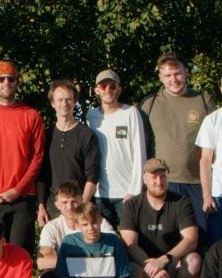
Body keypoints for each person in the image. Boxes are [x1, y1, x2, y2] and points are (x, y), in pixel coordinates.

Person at [140, 53, 216, 238]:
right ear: (160, 77)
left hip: (198, 183)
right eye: (167, 75)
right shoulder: (149, 104)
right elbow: (139, 147)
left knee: (202, 237)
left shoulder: (204, 101)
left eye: (177, 73)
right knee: (165, 239)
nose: (173, 79)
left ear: (186, 73)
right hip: (163, 183)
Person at [120, 158, 202, 278]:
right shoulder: (132, 205)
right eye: (154, 176)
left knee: (194, 260)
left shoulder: (181, 202)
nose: (159, 181)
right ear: (144, 179)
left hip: (171, 263)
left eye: (163, 176)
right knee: (132, 270)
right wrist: (151, 266)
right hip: (143, 265)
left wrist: (165, 260)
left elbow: (191, 239)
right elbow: (129, 245)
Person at [0, 62, 45, 253]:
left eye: (11, 78)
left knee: (20, 256)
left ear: (17, 82)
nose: (6, 82)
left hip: (22, 199)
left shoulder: (31, 116)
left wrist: (19, 188)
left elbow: (38, 158)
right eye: (1, 79)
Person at [86, 69, 147, 227]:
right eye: (103, 86)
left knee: (130, 241)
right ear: (96, 90)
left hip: (126, 193)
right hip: (100, 194)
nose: (108, 90)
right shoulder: (90, 116)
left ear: (119, 89)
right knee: (106, 244)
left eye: (112, 86)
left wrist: (134, 190)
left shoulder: (130, 113)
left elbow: (140, 153)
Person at [37, 181, 115, 278]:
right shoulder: (52, 227)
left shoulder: (98, 222)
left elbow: (116, 247)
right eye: (65, 202)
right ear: (57, 205)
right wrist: (79, 262)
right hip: (70, 274)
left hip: (98, 273)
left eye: (73, 201)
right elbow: (42, 261)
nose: (70, 207)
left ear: (81, 200)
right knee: (47, 277)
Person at [36, 79, 100, 224]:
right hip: (53, 208)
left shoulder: (86, 135)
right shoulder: (46, 136)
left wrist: (82, 206)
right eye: (60, 100)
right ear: (53, 103)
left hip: (79, 207)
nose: (64, 104)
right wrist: (41, 207)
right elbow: (42, 176)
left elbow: (93, 175)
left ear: (74, 102)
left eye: (68, 99)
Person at [196, 78, 222, 244]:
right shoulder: (213, 120)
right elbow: (205, 160)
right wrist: (207, 196)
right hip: (219, 195)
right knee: (218, 249)